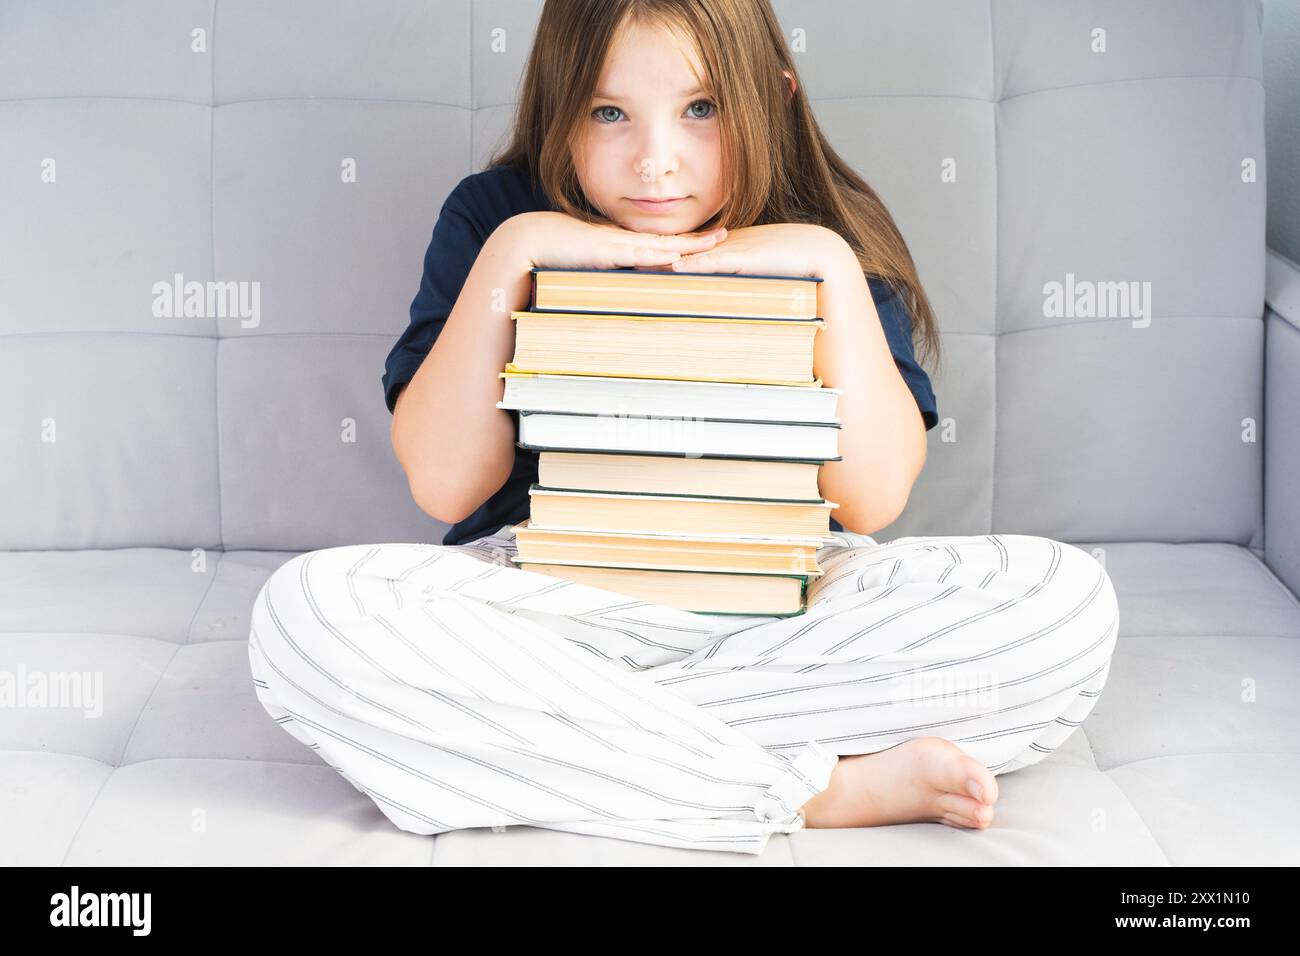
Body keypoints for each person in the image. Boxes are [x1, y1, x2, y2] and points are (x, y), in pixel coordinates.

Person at [248, 0, 1119, 856]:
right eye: (608, 112)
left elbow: (875, 495)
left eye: (701, 109)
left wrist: (830, 268)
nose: (655, 162)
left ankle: (566, 744)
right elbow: (445, 482)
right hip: (545, 609)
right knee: (306, 618)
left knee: (1063, 604)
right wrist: (515, 252)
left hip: (788, 607)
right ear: (560, 110)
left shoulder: (819, 229)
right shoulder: (495, 215)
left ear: (770, 98)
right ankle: (807, 790)